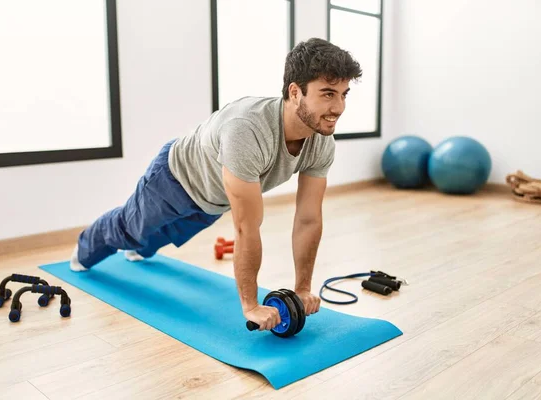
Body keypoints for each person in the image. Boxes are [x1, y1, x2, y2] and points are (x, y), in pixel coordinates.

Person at [70, 37, 362, 332]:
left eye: (343, 94)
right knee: (129, 231)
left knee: (156, 240)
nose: (338, 107)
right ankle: (83, 249)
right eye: (327, 94)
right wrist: (250, 305)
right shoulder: (247, 130)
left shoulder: (321, 141)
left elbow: (308, 219)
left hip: (213, 201)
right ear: (295, 92)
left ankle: (140, 250)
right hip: (173, 179)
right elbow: (247, 227)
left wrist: (302, 288)